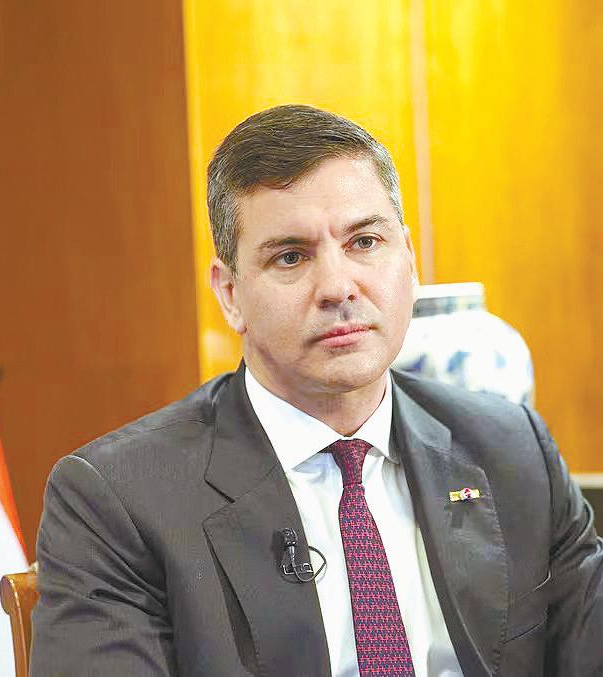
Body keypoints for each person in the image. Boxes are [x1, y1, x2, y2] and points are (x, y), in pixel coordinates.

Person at [29, 105, 603, 676]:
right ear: (230, 294)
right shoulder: (119, 499)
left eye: (365, 242)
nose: (337, 286)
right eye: (291, 257)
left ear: (409, 261)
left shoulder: (511, 450)